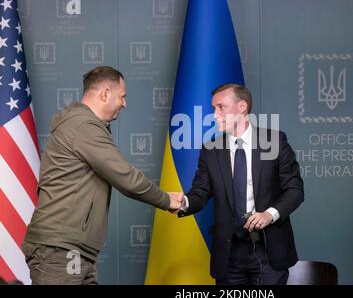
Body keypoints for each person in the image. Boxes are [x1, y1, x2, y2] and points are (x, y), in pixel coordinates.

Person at [22, 66, 183, 285]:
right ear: (105, 93)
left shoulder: (83, 125)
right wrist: (166, 199)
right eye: (122, 97)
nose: (124, 104)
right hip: (60, 248)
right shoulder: (83, 125)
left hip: (73, 249)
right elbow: (125, 177)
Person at [178, 83, 304, 285]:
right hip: (229, 255)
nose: (215, 114)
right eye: (213, 109)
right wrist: (183, 202)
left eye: (221, 107)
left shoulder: (275, 141)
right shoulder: (210, 149)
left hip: (269, 252)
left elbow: (295, 190)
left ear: (242, 107)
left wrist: (269, 214)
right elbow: (200, 192)